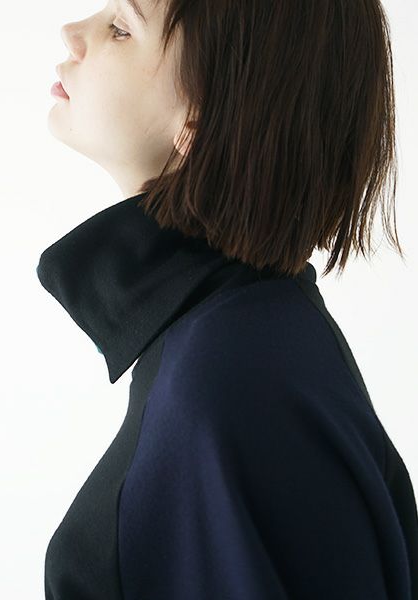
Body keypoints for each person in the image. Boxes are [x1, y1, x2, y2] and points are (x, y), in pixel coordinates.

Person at [39, 1, 418, 598]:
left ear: (198, 122)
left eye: (121, 28)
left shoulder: (225, 380)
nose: (72, 32)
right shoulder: (246, 335)